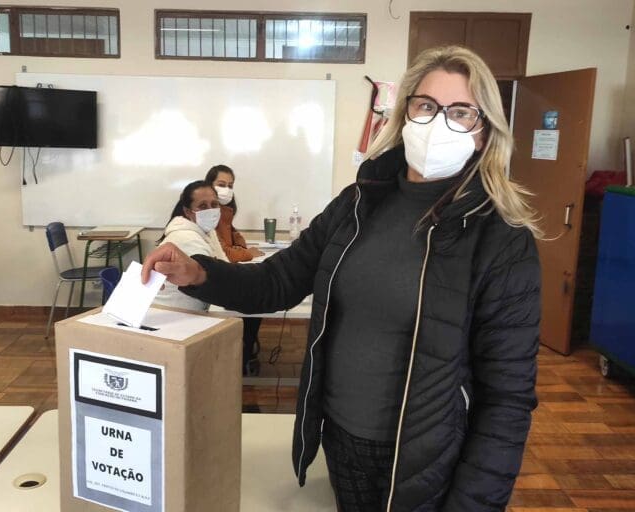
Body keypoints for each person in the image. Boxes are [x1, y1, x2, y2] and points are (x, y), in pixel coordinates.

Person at [143, 45, 541, 511]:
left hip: (430, 462)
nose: (438, 123)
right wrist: (198, 272)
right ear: (405, 112)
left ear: (483, 132)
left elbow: (507, 400)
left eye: (461, 112)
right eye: (427, 106)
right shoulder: (358, 203)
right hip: (342, 442)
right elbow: (278, 280)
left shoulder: (502, 238)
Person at [205, 164, 265, 376]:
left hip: (225, 273)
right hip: (214, 279)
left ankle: (246, 352)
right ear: (209, 185)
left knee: (257, 304)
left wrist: (243, 247)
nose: (226, 189)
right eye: (221, 184)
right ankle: (242, 357)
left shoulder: (225, 212)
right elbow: (225, 252)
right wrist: (247, 254)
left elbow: (233, 237)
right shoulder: (207, 213)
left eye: (230, 185)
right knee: (252, 304)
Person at [151, 180, 228, 311]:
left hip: (188, 311)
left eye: (214, 204)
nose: (210, 210)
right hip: (173, 316)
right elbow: (217, 286)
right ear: (188, 212)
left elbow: (224, 268)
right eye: (203, 206)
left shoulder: (208, 232)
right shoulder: (187, 239)